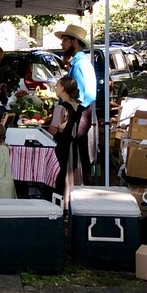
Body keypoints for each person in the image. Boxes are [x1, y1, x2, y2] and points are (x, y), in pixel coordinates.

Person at [56, 24, 97, 183]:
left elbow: (87, 93)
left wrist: (75, 110)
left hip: (80, 111)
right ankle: (80, 183)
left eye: (65, 40)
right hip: (79, 110)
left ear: (74, 42)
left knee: (78, 149)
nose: (62, 44)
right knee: (79, 149)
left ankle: (79, 184)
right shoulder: (79, 63)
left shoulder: (80, 64)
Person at [48, 75, 87, 203]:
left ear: (63, 88)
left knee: (61, 174)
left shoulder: (61, 107)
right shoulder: (76, 105)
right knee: (70, 172)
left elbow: (53, 129)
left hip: (62, 145)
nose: (56, 87)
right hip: (72, 144)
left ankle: (59, 201)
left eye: (58, 85)